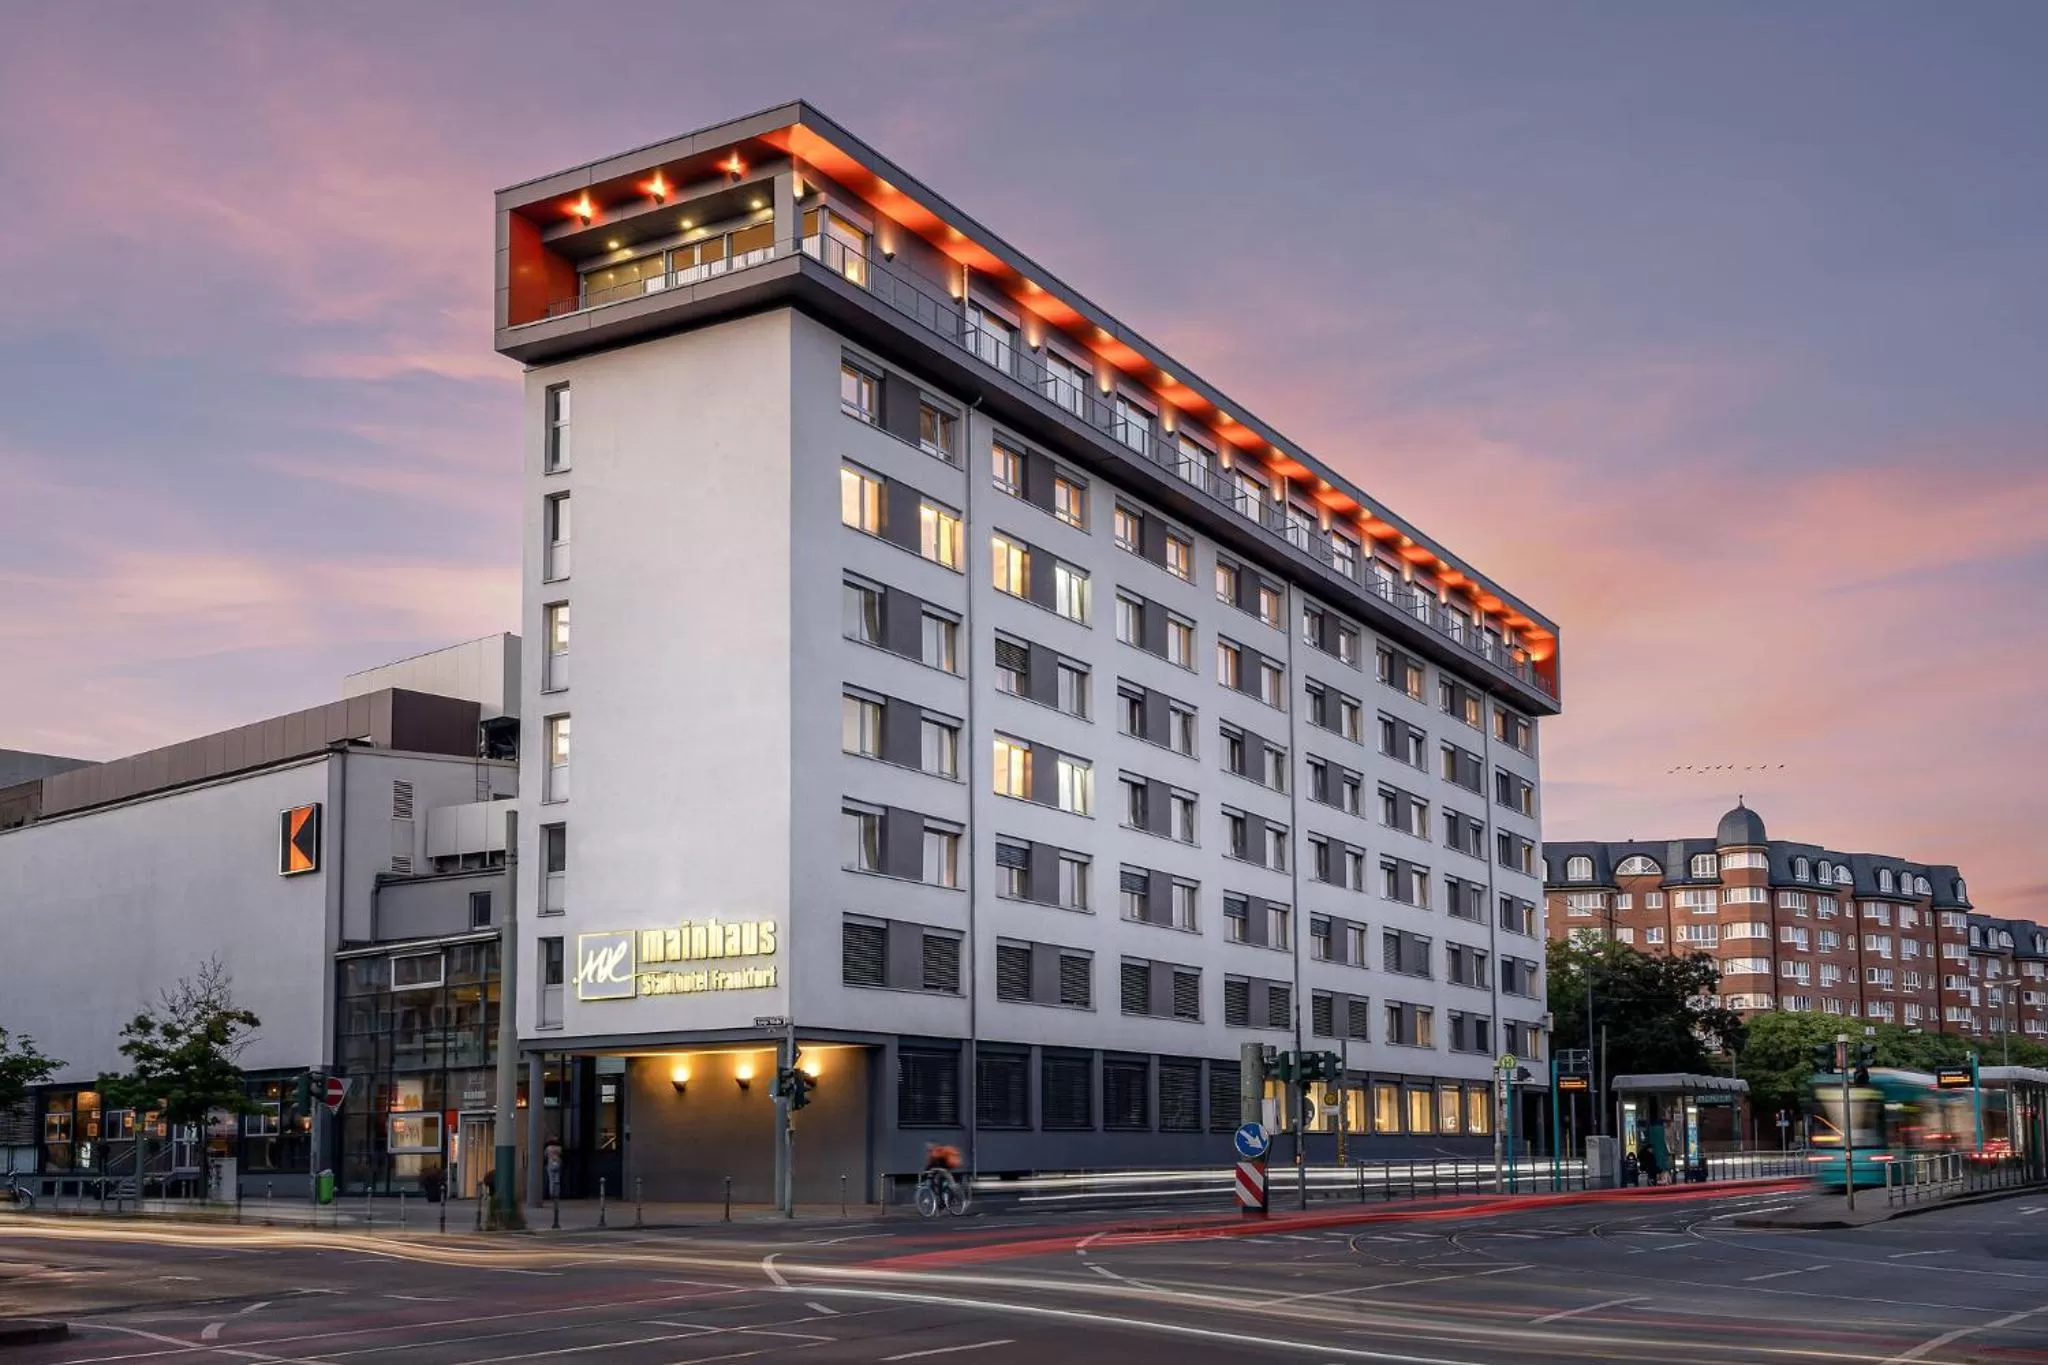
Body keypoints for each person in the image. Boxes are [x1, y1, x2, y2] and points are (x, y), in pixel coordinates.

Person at [543, 1136, 564, 1203]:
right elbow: (562, 1154)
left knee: (551, 1180)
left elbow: (545, 1155)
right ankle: (557, 1194)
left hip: (550, 1163)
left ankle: (552, 1194)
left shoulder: (548, 1148)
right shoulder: (559, 1148)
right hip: (558, 1163)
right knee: (557, 1180)